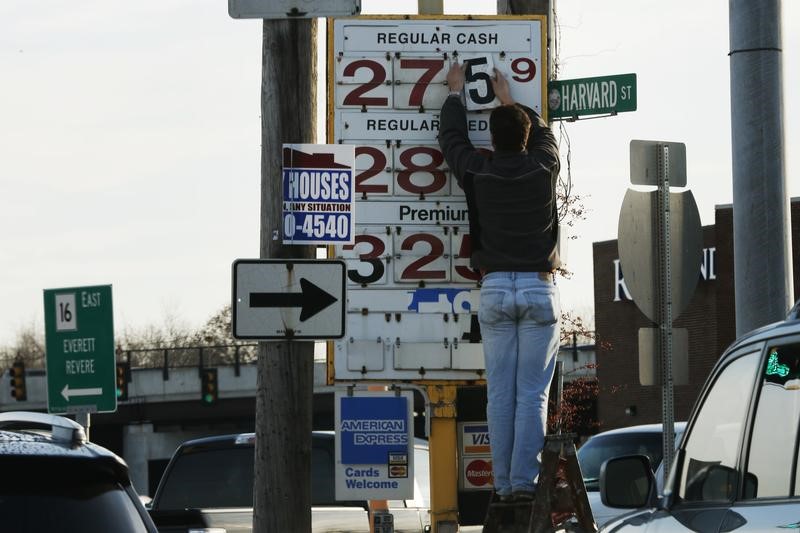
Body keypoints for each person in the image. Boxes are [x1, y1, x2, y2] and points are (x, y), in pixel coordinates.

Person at [438, 62, 561, 502]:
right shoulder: (544, 169)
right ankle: (522, 485)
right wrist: (510, 100)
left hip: (492, 289)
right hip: (537, 287)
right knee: (531, 396)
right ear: (525, 136)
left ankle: (504, 485)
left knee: (500, 396)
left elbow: (451, 141)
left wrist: (455, 94)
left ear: (491, 140)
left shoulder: (478, 173)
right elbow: (545, 136)